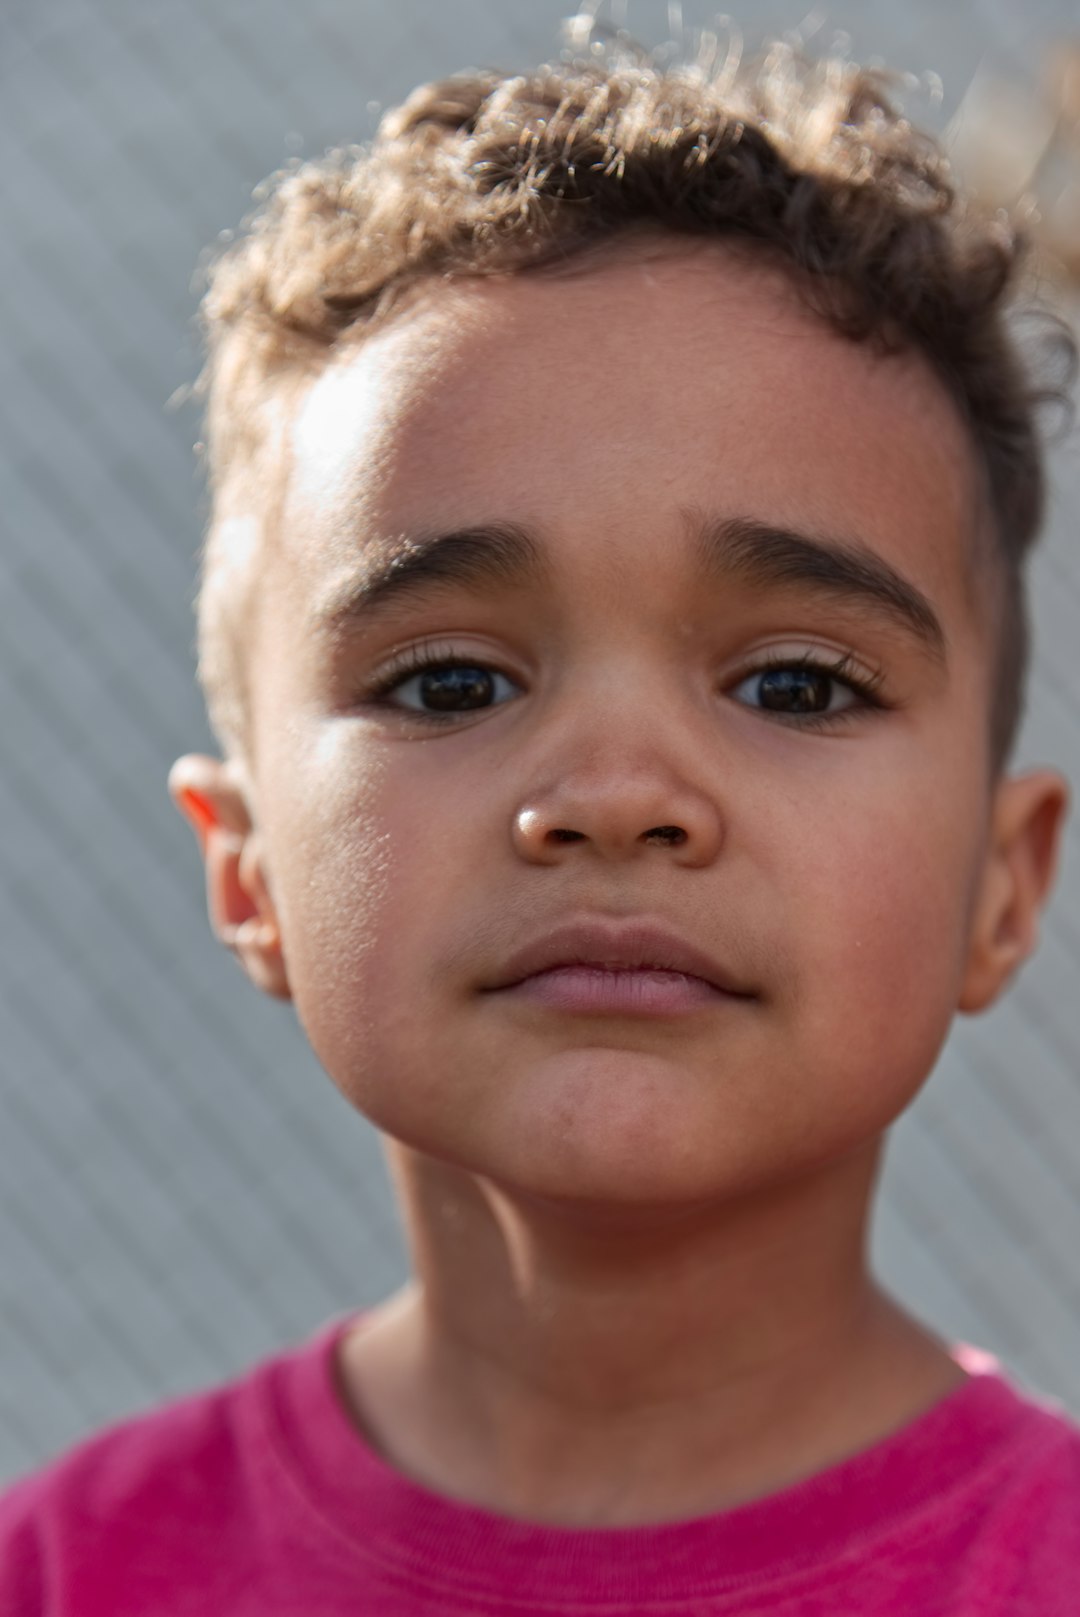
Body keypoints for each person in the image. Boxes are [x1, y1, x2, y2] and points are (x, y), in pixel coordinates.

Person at [3, 20, 1079, 1615]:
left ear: (1004, 886)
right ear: (247, 874)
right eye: (449, 686)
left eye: (793, 686)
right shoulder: (71, 1572)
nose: (616, 798)